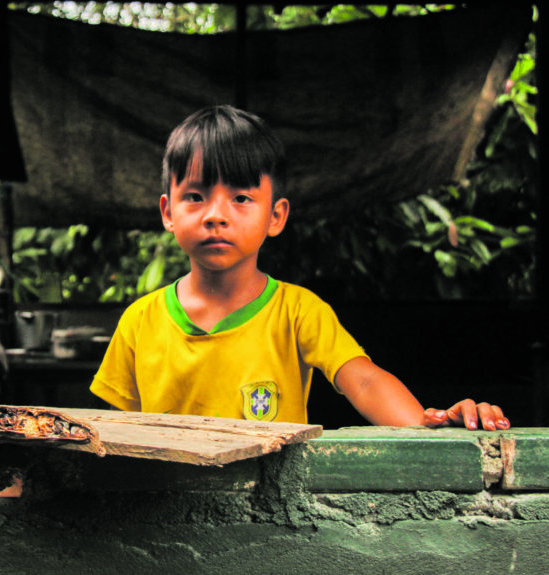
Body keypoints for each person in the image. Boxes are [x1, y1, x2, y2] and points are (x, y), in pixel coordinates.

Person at [90, 105, 510, 430]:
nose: (215, 215)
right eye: (196, 196)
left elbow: (363, 381)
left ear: (276, 216)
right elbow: (111, 434)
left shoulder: (299, 312)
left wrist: (425, 426)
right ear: (168, 212)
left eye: (240, 198)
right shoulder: (139, 322)